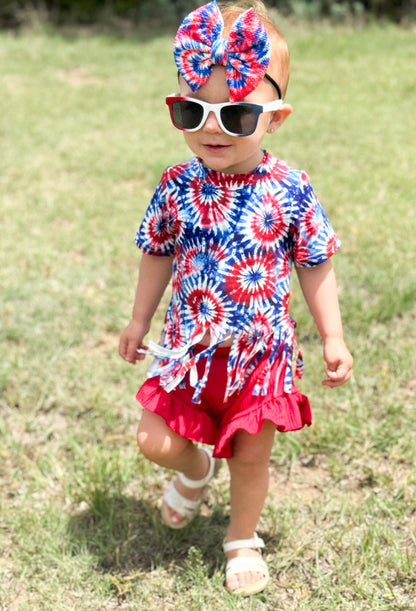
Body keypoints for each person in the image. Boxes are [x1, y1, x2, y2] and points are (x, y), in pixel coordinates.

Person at [119, 0, 353, 596]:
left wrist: (332, 335)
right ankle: (194, 471)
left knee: (250, 458)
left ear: (274, 119)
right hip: (189, 352)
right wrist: (139, 317)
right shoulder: (178, 183)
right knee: (156, 440)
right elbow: (158, 251)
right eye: (192, 109)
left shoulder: (290, 187)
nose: (212, 126)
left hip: (261, 354)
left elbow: (315, 260)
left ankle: (241, 538)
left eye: (237, 114)